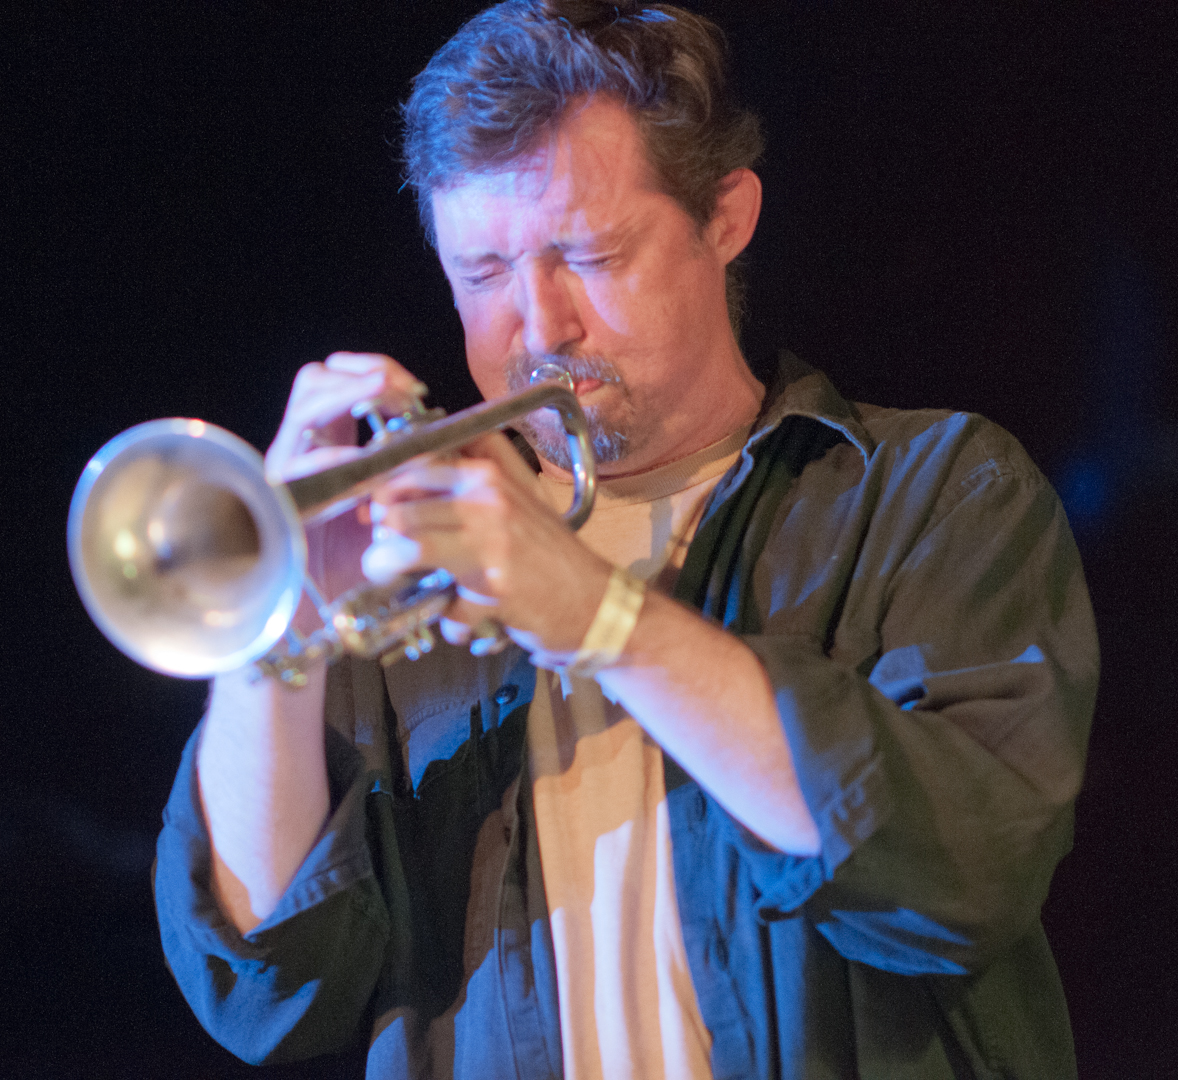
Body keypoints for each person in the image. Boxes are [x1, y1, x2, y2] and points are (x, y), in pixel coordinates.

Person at [153, 2, 1099, 1077]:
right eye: (481, 275)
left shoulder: (935, 492)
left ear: (725, 216)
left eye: (589, 252)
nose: (539, 325)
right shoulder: (412, 562)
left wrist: (599, 615)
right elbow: (267, 990)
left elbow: (963, 872)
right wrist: (278, 629)